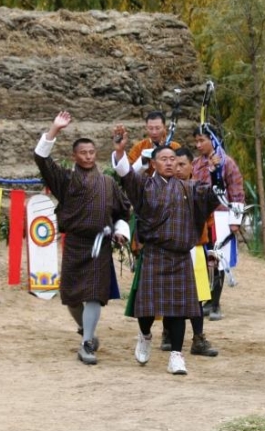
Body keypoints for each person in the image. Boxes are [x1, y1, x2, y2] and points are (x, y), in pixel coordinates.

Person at [112, 127, 222, 375]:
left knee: (179, 310)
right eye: (164, 159)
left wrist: (216, 172)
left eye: (173, 159)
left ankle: (176, 355)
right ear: (153, 163)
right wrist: (120, 150)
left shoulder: (190, 188)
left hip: (181, 256)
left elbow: (212, 195)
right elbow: (125, 173)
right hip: (154, 253)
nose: (170, 163)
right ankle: (145, 335)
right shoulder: (144, 185)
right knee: (148, 309)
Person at [34, 111, 132, 365]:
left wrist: (121, 231)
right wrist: (54, 129)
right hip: (76, 243)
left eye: (91, 152)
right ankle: (84, 328)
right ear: (74, 156)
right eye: (83, 153)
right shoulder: (65, 180)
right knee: (71, 295)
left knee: (94, 294)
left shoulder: (108, 183)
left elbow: (123, 211)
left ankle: (87, 342)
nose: (88, 156)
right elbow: (41, 159)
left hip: (100, 246)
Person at [156, 147, 219, 358]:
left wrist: (215, 173)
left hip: (196, 247)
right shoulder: (161, 189)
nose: (178, 168)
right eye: (176, 163)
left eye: (183, 164)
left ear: (192, 166)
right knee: (170, 294)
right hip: (170, 249)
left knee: (199, 296)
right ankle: (167, 333)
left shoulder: (198, 190)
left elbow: (210, 213)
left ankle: (198, 337)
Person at [191, 124, 245, 321]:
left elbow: (237, 191)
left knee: (217, 259)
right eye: (196, 141)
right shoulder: (195, 164)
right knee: (202, 260)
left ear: (212, 140)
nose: (198, 145)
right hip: (200, 218)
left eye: (202, 140)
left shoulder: (227, 163)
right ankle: (205, 300)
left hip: (221, 217)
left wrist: (235, 220)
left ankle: (215, 303)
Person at [126, 110, 181, 174]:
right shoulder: (139, 147)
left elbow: (181, 169)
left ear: (164, 128)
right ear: (146, 128)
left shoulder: (175, 147)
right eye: (150, 128)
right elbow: (129, 173)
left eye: (157, 128)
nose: (154, 132)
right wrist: (142, 161)